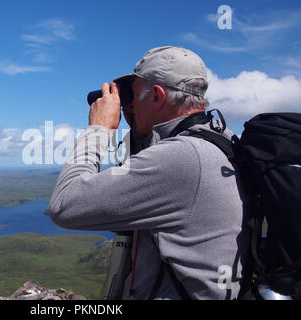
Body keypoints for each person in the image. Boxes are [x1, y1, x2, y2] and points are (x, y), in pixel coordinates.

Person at [48, 46, 249, 300]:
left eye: (134, 95)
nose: (129, 106)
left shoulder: (183, 157)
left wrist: (98, 129)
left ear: (157, 95)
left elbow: (65, 205)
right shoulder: (222, 139)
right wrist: (140, 131)